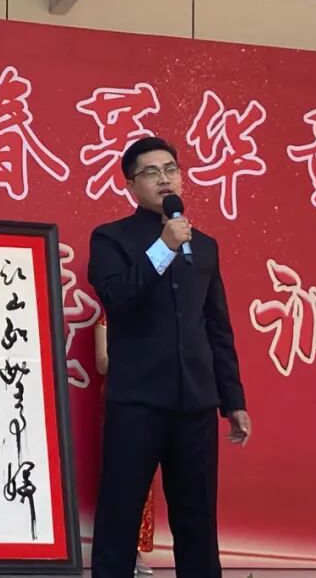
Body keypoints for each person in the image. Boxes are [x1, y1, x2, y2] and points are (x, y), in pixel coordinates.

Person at [88, 136, 250, 578]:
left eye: (170, 169)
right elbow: (117, 298)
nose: (164, 179)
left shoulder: (205, 246)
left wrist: (233, 400)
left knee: (198, 523)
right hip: (136, 402)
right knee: (120, 517)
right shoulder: (110, 238)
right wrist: (163, 247)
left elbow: (216, 327)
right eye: (150, 172)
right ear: (130, 185)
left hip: (195, 403)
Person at [94, 314, 156, 576]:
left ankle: (137, 550)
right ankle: (121, 555)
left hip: (153, 403)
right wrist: (135, 353)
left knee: (147, 485)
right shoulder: (105, 320)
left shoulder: (152, 317)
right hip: (122, 404)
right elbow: (101, 364)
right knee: (122, 481)